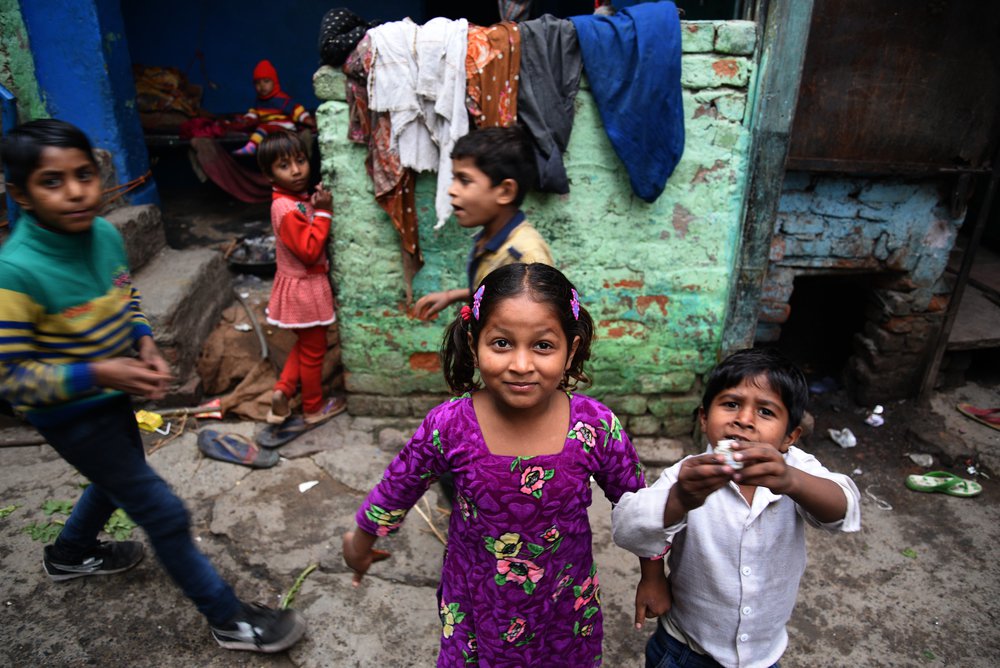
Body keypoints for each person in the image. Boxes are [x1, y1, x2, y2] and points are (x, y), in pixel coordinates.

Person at [0, 119, 306, 652]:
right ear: (20, 194)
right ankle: (230, 619)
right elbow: (14, 381)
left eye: (83, 175)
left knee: (119, 476)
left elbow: (126, 299)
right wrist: (103, 371)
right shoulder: (16, 272)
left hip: (111, 394)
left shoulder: (102, 236)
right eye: (52, 181)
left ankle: (70, 553)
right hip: (68, 412)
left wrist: (142, 341)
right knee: (161, 510)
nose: (75, 192)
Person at [343, 262, 664, 665]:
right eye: (501, 343)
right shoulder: (450, 425)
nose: (521, 364)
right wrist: (359, 544)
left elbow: (637, 505)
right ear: (474, 344)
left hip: (563, 603)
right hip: (476, 604)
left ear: (571, 351)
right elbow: (398, 487)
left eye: (543, 346)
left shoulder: (594, 426)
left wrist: (653, 576)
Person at [612, 347, 862, 668]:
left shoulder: (797, 470)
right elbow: (630, 530)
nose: (743, 420)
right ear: (704, 418)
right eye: (731, 404)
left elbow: (845, 510)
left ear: (789, 437)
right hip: (685, 648)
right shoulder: (688, 476)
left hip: (762, 655)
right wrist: (679, 500)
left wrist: (793, 482)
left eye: (766, 412)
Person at [412, 126, 554, 321]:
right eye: (454, 178)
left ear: (505, 192)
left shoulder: (526, 256)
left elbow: (538, 322)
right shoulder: (490, 239)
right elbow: (498, 291)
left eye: (464, 180)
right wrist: (453, 296)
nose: (451, 190)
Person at [257, 131, 346, 425]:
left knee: (307, 344)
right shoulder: (285, 208)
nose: (296, 171)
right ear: (269, 174)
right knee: (314, 351)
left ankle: (283, 391)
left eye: (300, 160)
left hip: (301, 286)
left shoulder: (294, 200)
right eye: (284, 166)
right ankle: (312, 407)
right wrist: (324, 213)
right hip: (305, 289)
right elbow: (309, 250)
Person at [232, 59, 316, 156]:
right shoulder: (259, 102)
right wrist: (246, 120)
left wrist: (306, 119)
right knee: (260, 130)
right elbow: (253, 113)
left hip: (285, 130)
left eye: (266, 81)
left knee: (263, 127)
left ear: (274, 82)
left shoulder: (282, 99)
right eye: (257, 83)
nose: (262, 86)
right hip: (269, 131)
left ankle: (251, 147)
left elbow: (296, 110)